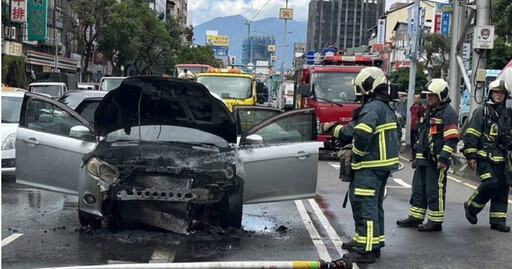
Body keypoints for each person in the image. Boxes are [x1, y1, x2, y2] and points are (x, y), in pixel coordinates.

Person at [320, 67, 399, 263]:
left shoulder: (372, 108)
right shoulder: (385, 107)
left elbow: (360, 133)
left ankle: (366, 250)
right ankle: (371, 241)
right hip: (381, 165)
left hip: (370, 165)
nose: (358, 94)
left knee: (365, 205)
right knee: (371, 204)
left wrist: (355, 151)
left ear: (367, 87)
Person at [396, 79, 459, 232]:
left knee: (434, 190)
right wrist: (417, 154)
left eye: (432, 95)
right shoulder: (429, 110)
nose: (429, 97)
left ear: (440, 96)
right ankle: (415, 217)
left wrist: (443, 158)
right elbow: (424, 133)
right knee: (418, 189)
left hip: (437, 160)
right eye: (428, 95)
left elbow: (451, 139)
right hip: (424, 158)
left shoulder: (448, 113)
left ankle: (435, 221)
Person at [462, 79, 512, 232]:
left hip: (502, 157)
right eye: (497, 92)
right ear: (491, 93)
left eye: (502, 93)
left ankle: (498, 220)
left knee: (503, 187)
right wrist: (471, 155)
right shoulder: (481, 111)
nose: (499, 95)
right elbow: (471, 134)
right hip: (484, 156)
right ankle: (471, 206)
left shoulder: (508, 114)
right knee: (491, 183)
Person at [410, 94, 426, 160]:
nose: (416, 99)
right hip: (412, 127)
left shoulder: (421, 107)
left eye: (417, 98)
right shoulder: (412, 107)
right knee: (412, 142)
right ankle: (413, 157)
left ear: (419, 99)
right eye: (415, 98)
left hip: (418, 128)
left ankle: (416, 157)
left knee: (417, 143)